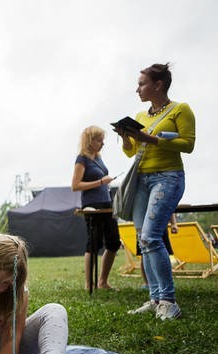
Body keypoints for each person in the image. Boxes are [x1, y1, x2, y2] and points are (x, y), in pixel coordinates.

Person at [113, 63, 195, 320]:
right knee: (143, 238)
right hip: (142, 180)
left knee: (150, 237)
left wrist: (152, 139)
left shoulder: (180, 109)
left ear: (158, 85)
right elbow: (131, 151)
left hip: (168, 178)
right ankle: (155, 298)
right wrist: (127, 137)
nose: (137, 88)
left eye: (141, 83)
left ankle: (169, 301)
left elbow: (188, 144)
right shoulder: (141, 115)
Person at [71, 126, 121, 290]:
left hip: (107, 205)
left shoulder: (98, 158)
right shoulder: (82, 159)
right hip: (92, 206)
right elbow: (75, 185)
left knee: (113, 242)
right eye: (99, 140)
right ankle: (89, 284)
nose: (103, 143)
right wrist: (100, 182)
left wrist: (104, 183)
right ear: (89, 141)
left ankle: (102, 281)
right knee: (94, 243)